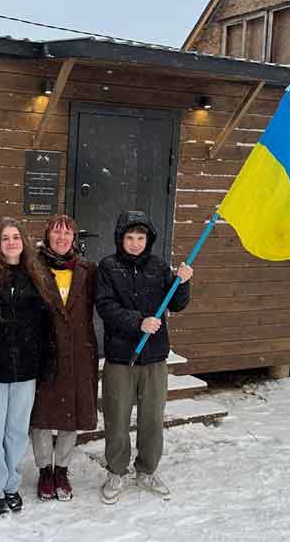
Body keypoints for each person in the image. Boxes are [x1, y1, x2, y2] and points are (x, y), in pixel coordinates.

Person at [95, 210, 193, 505]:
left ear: (148, 239)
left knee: (152, 418)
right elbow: (105, 306)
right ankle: (116, 471)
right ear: (120, 238)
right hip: (121, 358)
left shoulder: (159, 267)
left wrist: (182, 281)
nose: (135, 243)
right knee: (117, 418)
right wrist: (138, 321)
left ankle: (147, 470)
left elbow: (177, 303)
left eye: (141, 238)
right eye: (129, 237)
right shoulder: (108, 268)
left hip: (154, 358)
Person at [0, 218, 58, 518]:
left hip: (26, 368)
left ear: (24, 241)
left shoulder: (37, 275)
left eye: (15, 237)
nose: (10, 242)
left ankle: (11, 484)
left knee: (17, 431)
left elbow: (47, 326)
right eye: (4, 238)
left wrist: (47, 361)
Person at [29, 214, 98, 502]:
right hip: (45, 349)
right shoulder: (33, 267)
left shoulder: (88, 270)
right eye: (56, 233)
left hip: (79, 351)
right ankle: (45, 470)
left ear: (74, 238)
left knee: (72, 413)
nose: (61, 238)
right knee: (43, 415)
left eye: (67, 233)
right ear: (48, 236)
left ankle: (62, 470)